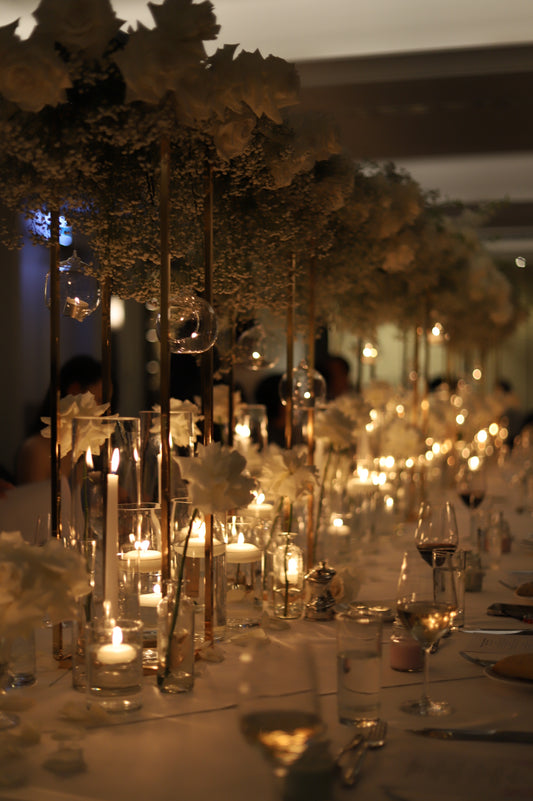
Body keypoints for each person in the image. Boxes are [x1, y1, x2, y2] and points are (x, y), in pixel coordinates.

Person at [16, 355, 103, 485]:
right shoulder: (36, 451)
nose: (103, 412)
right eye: (100, 400)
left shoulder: (90, 450)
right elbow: (33, 502)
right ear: (74, 391)